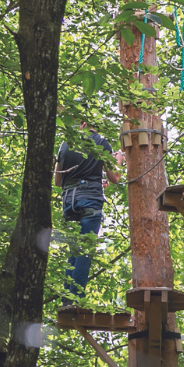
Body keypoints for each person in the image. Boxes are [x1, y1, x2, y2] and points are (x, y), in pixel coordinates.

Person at [54, 122, 123, 301]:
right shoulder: (101, 141)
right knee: (84, 250)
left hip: (69, 201)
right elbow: (115, 177)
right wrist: (119, 160)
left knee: (74, 251)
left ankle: (67, 299)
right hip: (89, 201)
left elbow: (58, 181)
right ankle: (75, 299)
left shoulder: (65, 143)